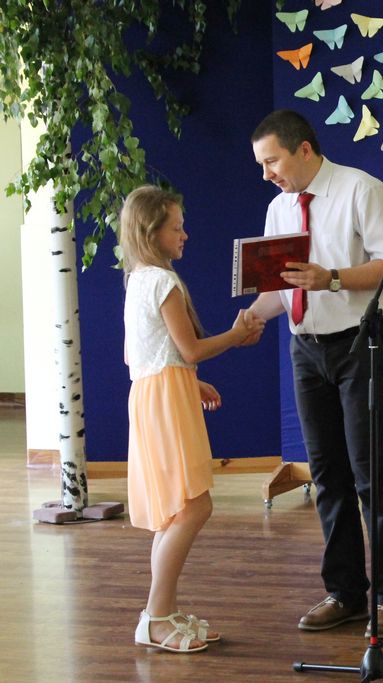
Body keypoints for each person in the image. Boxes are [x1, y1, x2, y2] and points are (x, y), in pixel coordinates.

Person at [247, 110, 383, 639]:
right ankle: (345, 592)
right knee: (327, 476)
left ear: (305, 149)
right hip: (306, 349)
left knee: (373, 474)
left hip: (365, 342)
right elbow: (282, 289)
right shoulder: (278, 209)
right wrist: (251, 318)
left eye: (272, 161)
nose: (267, 174)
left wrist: (332, 278)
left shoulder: (362, 189)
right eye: (261, 164)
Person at [121, 185, 265, 653]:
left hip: (153, 394)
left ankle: (162, 611)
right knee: (193, 506)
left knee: (175, 510)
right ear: (152, 232)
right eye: (176, 228)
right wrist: (237, 333)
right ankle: (155, 615)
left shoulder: (138, 279)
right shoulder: (163, 282)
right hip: (164, 399)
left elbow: (141, 354)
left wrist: (189, 382)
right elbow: (190, 350)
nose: (185, 235)